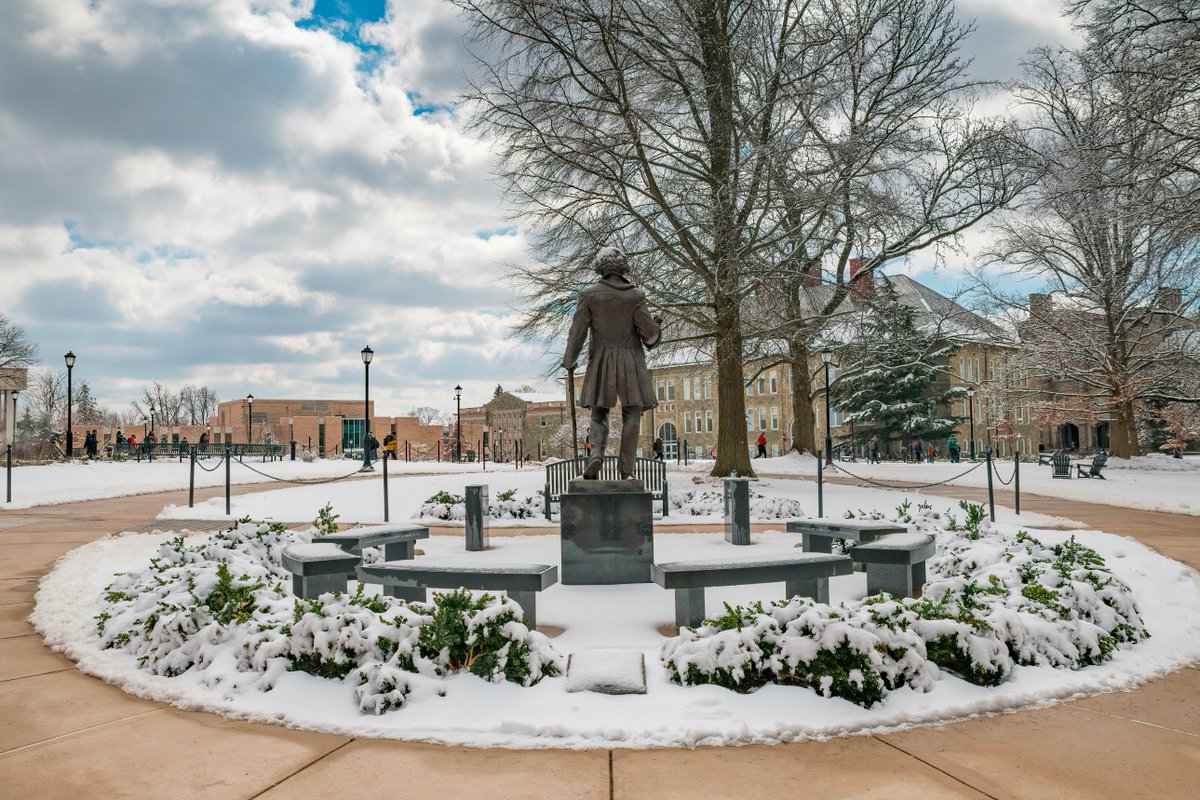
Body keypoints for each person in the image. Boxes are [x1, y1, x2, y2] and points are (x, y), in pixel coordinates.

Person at [561, 247, 662, 480]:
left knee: (599, 411)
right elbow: (650, 335)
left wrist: (569, 360)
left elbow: (577, 333)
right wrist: (657, 327)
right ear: (622, 267)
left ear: (600, 267)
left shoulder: (589, 295)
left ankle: (596, 455)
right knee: (633, 412)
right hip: (630, 359)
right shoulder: (635, 296)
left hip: (601, 359)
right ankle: (626, 470)